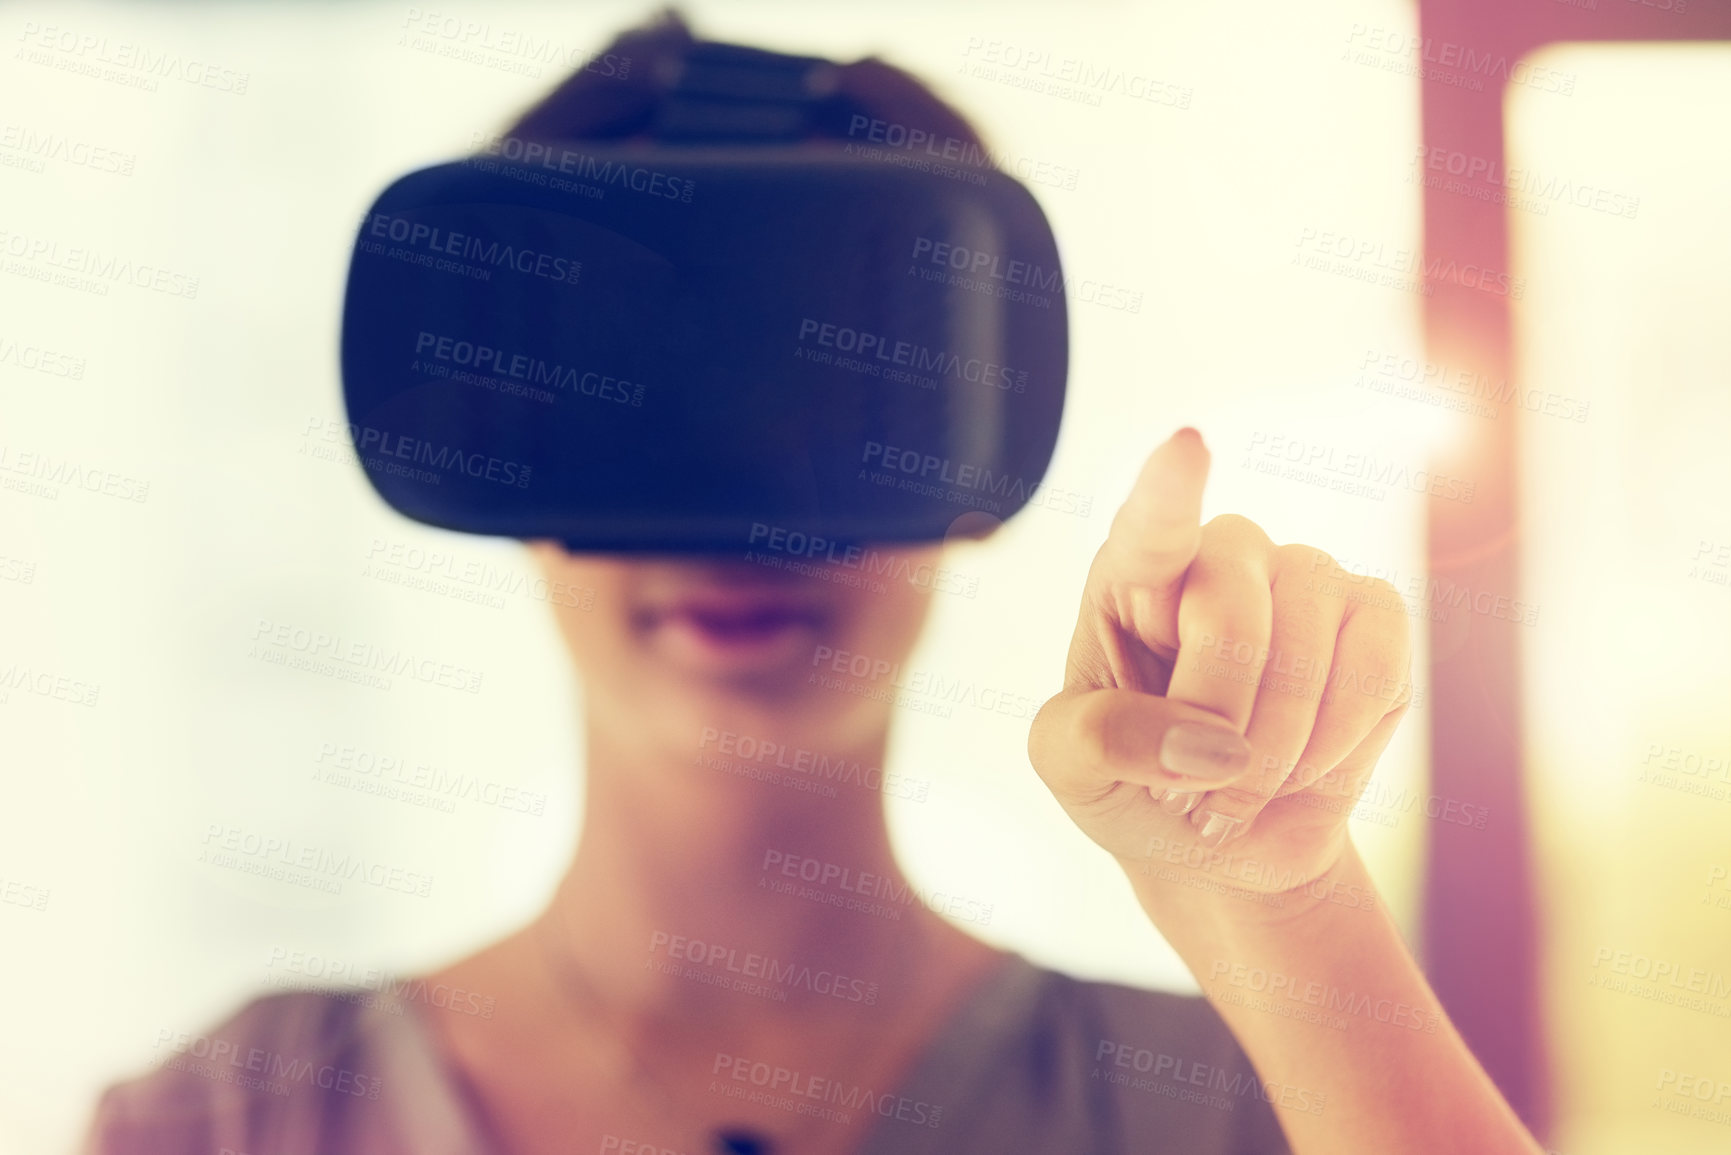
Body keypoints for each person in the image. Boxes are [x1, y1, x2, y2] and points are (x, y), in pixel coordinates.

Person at [81, 12, 1545, 1155]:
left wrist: (1280, 906)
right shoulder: (227, 1121)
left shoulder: (1235, 1104)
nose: (742, 521)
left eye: (829, 398)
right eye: (642, 399)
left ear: (966, 450)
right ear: (515, 436)